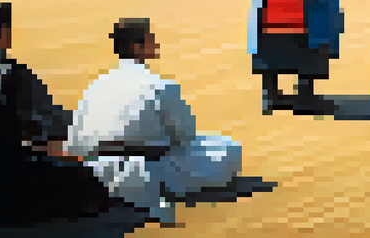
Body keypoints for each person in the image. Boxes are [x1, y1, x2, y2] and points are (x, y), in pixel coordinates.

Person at [0, 0, 113, 223]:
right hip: (3, 178)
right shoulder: (9, 72)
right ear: (2, 32)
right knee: (86, 176)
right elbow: (53, 122)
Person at [67, 19, 242, 226]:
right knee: (228, 149)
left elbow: (75, 140)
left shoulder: (94, 86)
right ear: (137, 47)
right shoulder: (160, 85)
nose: (156, 44)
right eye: (151, 39)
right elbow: (186, 135)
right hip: (150, 169)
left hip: (95, 169)